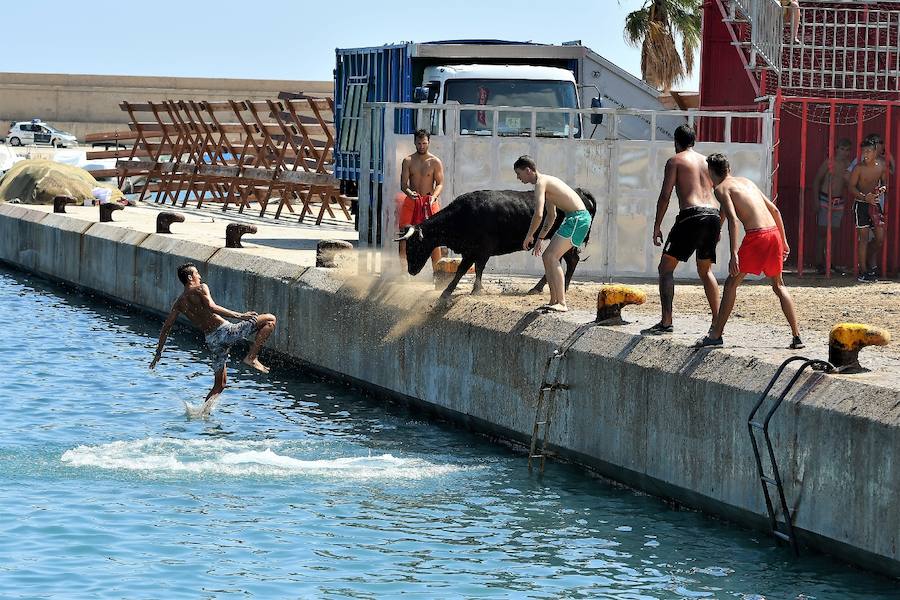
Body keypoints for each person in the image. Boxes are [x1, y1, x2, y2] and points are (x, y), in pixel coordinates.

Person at [696, 154, 804, 349]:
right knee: (779, 285)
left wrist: (734, 253)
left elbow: (733, 219)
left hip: (757, 237)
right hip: (773, 234)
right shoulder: (746, 181)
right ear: (728, 169)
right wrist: (784, 241)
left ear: (711, 173)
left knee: (731, 284)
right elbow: (775, 211)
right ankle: (797, 336)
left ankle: (716, 335)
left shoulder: (721, 189)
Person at [150, 263, 277, 401]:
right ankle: (251, 357)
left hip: (212, 341)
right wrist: (240, 315)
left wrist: (158, 352)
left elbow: (166, 327)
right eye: (197, 273)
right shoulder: (200, 288)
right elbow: (212, 307)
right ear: (190, 277)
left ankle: (203, 413)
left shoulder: (179, 302)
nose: (200, 276)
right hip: (226, 332)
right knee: (270, 319)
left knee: (219, 386)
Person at [643, 124, 720, 335]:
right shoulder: (707, 162)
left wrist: (657, 225)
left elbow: (665, 195)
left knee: (665, 268)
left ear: (676, 142)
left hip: (691, 216)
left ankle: (666, 321)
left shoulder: (675, 161)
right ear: (693, 141)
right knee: (706, 271)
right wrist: (719, 225)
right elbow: (718, 191)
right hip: (713, 215)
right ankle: (717, 322)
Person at [514, 155, 590, 313]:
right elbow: (551, 215)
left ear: (528, 170)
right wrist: (540, 238)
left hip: (578, 219)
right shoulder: (546, 185)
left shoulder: (541, 183)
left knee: (551, 257)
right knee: (547, 256)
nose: (518, 178)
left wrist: (530, 235)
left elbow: (538, 214)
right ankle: (554, 300)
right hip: (573, 219)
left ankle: (562, 302)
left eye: (519, 173)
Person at [398, 129, 444, 271]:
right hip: (412, 201)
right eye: (419, 143)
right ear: (415, 142)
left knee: (434, 239)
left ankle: (438, 274)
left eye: (424, 143)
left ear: (429, 142)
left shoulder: (435, 162)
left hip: (429, 201)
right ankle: (402, 273)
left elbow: (440, 183)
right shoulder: (408, 161)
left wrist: (434, 197)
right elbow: (403, 184)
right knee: (405, 237)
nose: (422, 146)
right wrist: (409, 192)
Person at [849, 138, 888, 282]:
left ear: (875, 152)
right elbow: (851, 187)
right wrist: (865, 197)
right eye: (863, 151)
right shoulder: (858, 168)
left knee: (879, 238)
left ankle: (870, 263)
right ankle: (864, 271)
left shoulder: (881, 165)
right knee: (863, 238)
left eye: (868, 151)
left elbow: (884, 182)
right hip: (861, 205)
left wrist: (883, 188)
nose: (865, 154)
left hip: (875, 205)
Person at [812, 138, 851, 273]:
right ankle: (819, 262)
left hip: (839, 201)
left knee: (833, 233)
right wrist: (816, 201)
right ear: (836, 149)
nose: (844, 152)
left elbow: (850, 185)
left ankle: (830, 262)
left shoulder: (848, 165)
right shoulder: (829, 162)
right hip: (824, 199)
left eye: (846, 150)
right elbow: (817, 181)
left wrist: (848, 180)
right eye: (841, 149)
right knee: (822, 231)